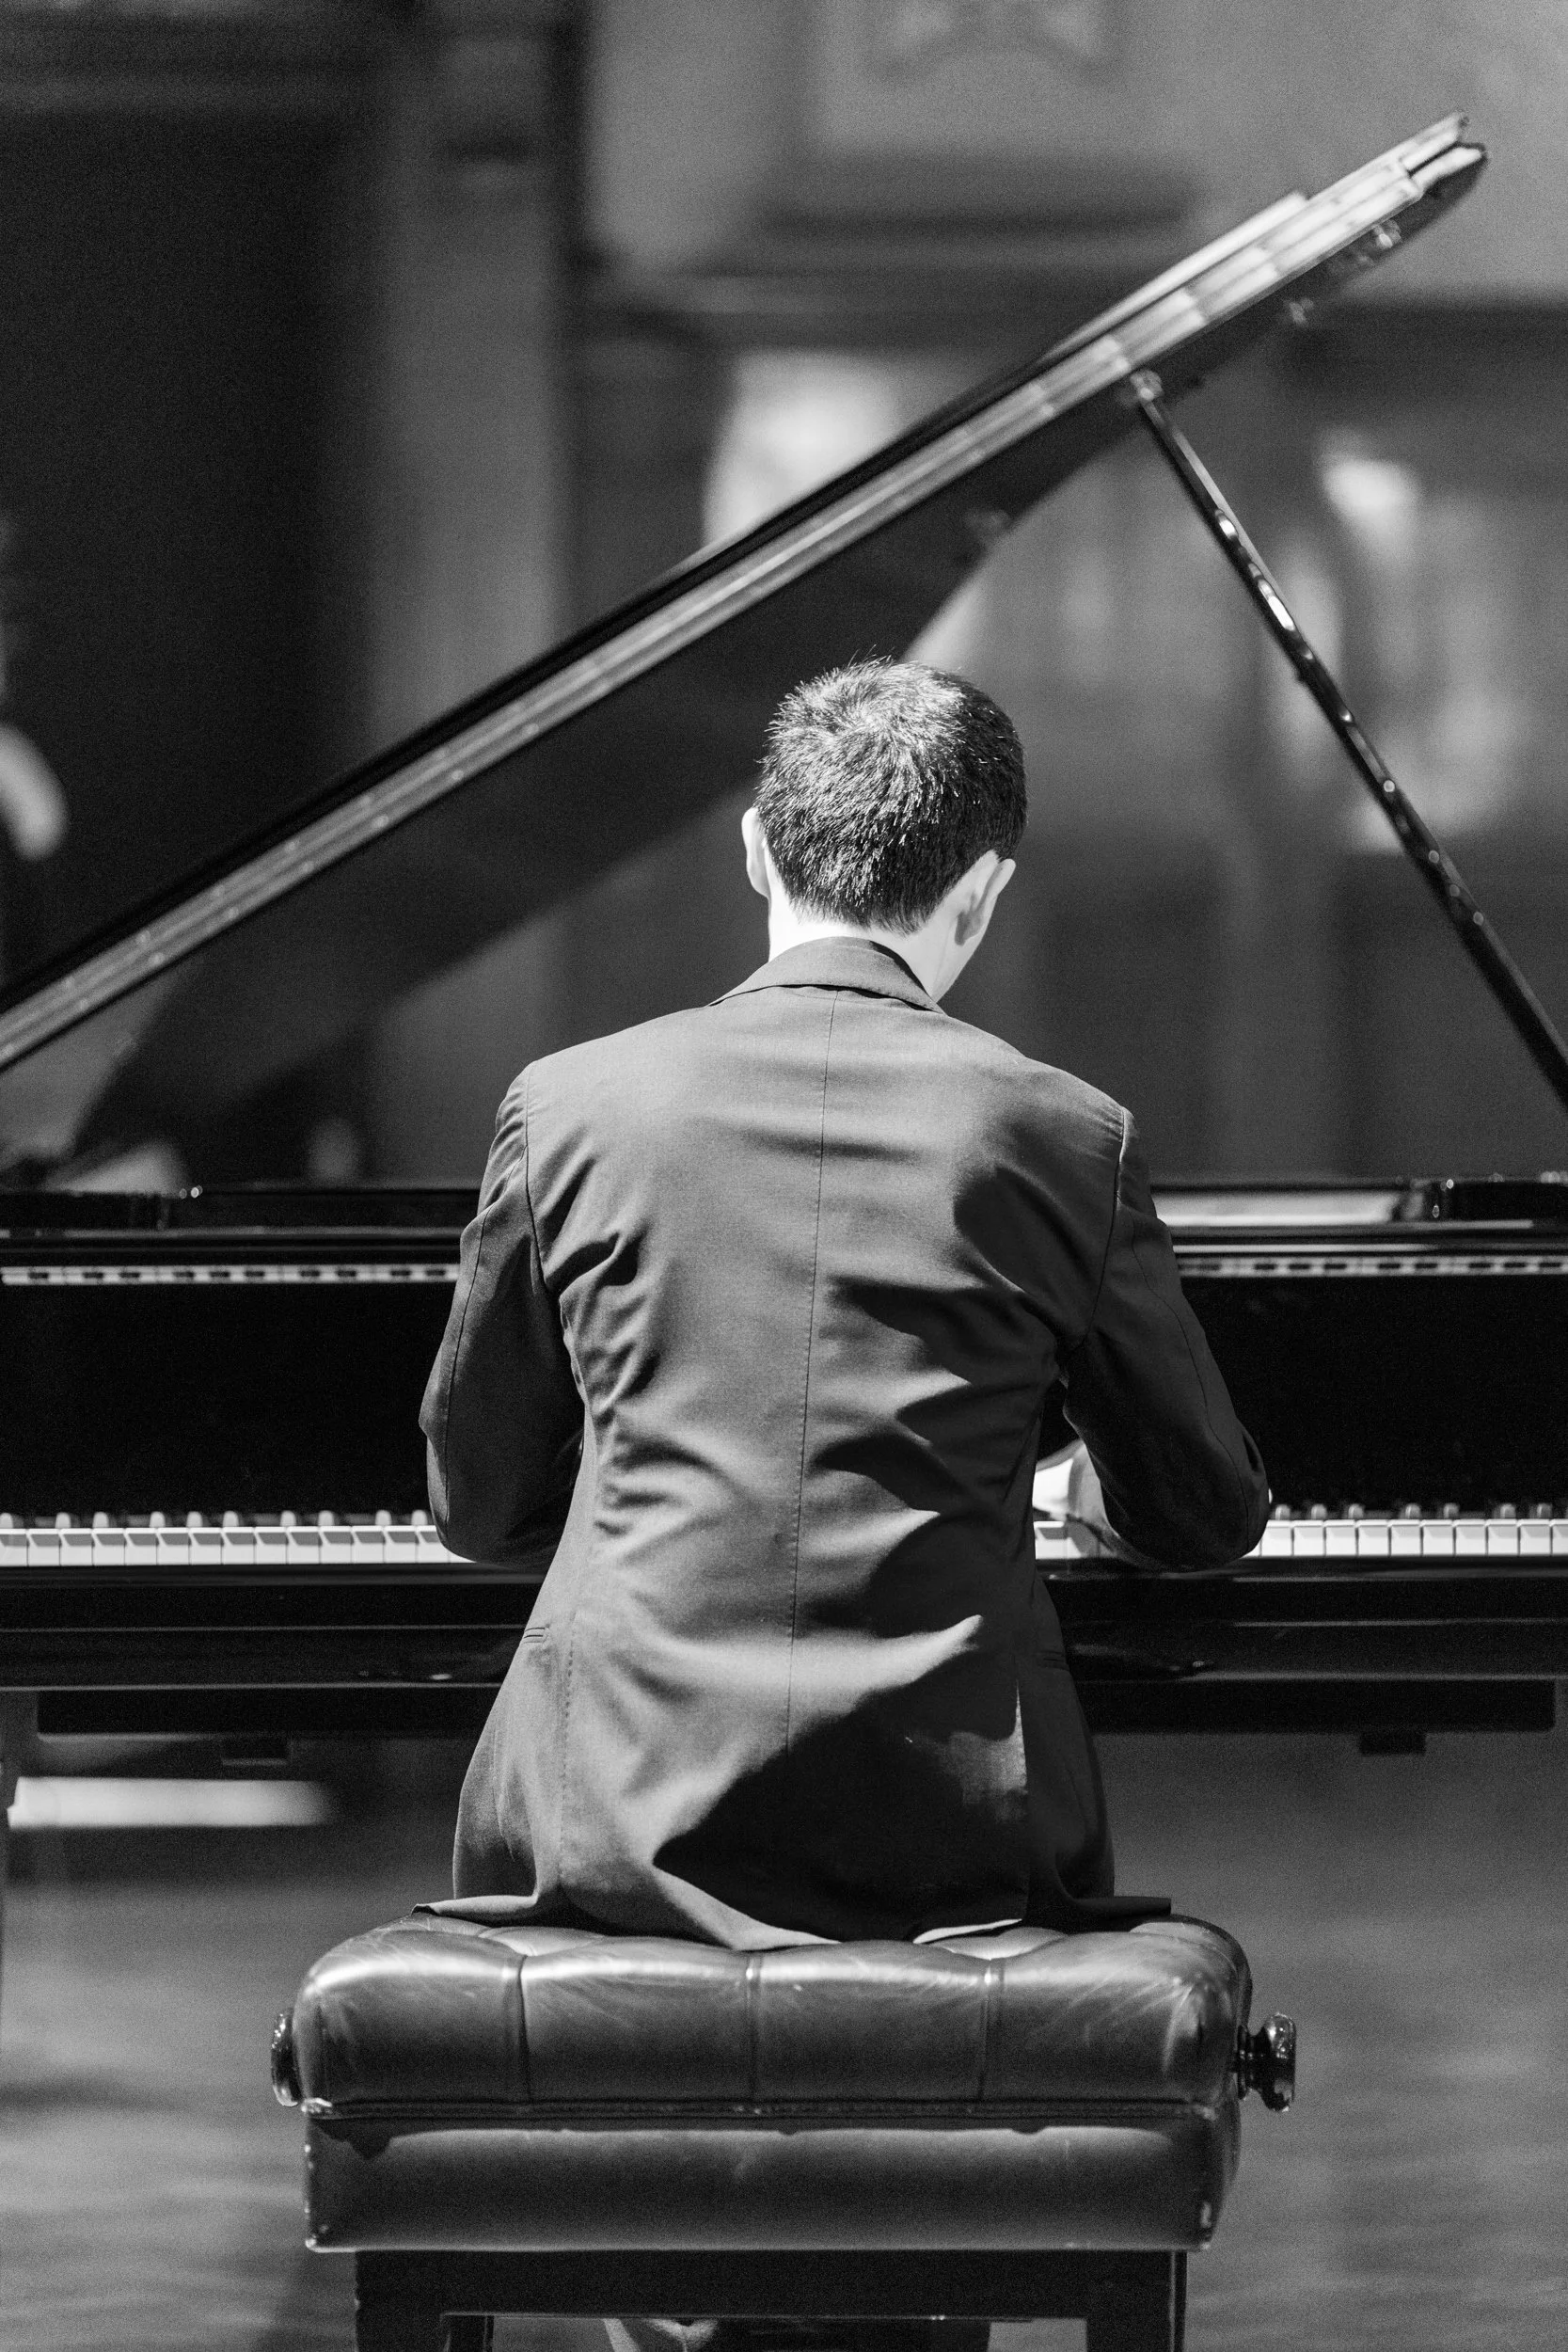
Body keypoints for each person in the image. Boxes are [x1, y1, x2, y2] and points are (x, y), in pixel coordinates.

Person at [421, 660, 1269, 1947]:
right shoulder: (1059, 1134)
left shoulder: (571, 1107)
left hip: (607, 1822)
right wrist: (1061, 1490)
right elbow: (1201, 1516)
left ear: (756, 850)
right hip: (948, 1849)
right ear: (983, 892)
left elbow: (475, 1507)